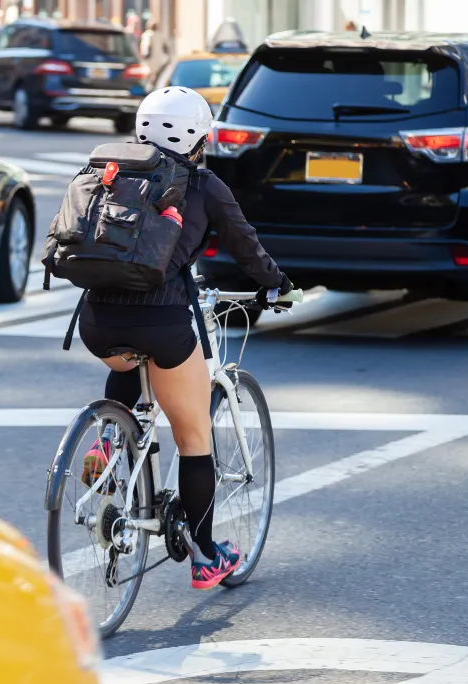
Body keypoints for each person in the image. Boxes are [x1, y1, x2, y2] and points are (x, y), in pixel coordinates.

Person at [72, 86, 292, 590]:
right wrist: (275, 283)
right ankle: (206, 556)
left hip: (96, 323)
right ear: (197, 136)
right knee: (194, 440)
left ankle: (109, 438)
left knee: (127, 357)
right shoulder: (203, 184)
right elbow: (246, 246)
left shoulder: (111, 172)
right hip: (164, 321)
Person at [140, 20, 171, 85]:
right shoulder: (160, 35)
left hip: (150, 60)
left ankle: (149, 87)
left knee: (148, 75)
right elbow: (167, 47)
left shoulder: (147, 34)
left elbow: (146, 47)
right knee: (157, 75)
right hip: (159, 59)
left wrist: (144, 57)